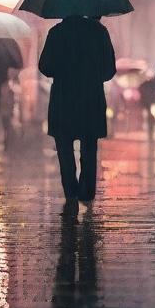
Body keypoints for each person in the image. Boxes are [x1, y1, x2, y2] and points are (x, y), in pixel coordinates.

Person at [38, 15, 116, 203]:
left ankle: (71, 191)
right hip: (91, 99)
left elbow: (45, 67)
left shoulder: (57, 33)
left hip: (63, 99)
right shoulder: (99, 32)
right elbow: (109, 70)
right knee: (89, 147)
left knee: (64, 148)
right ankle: (87, 192)